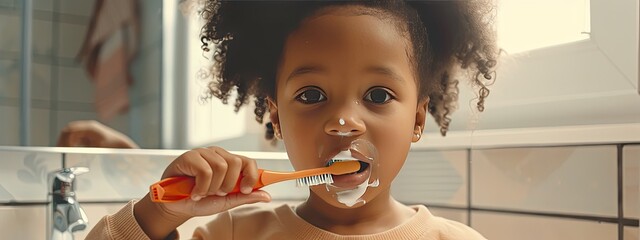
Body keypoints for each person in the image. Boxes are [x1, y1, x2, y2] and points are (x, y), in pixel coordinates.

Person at [83, 0, 498, 239]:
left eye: (378, 95)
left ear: (417, 118)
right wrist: (159, 214)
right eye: (312, 95)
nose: (344, 123)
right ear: (276, 117)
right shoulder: (231, 235)